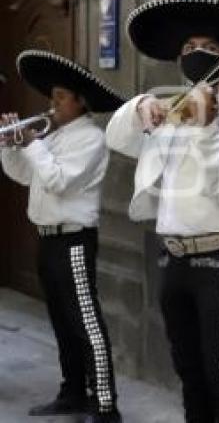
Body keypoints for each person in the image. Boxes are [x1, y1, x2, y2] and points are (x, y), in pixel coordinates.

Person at [105, 0, 219, 423]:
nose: (195, 54)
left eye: (209, 48)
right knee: (189, 374)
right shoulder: (170, 112)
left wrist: (207, 128)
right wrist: (138, 107)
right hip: (174, 257)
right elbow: (118, 139)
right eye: (187, 48)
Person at [1, 49, 126, 423]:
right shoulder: (54, 137)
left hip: (73, 240)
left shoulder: (90, 138)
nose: (51, 105)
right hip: (48, 239)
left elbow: (56, 179)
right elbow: (25, 175)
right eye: (51, 97)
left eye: (59, 98)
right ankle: (72, 391)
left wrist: (33, 143)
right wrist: (10, 147)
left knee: (86, 321)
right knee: (61, 321)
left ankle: (105, 404)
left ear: (79, 101)